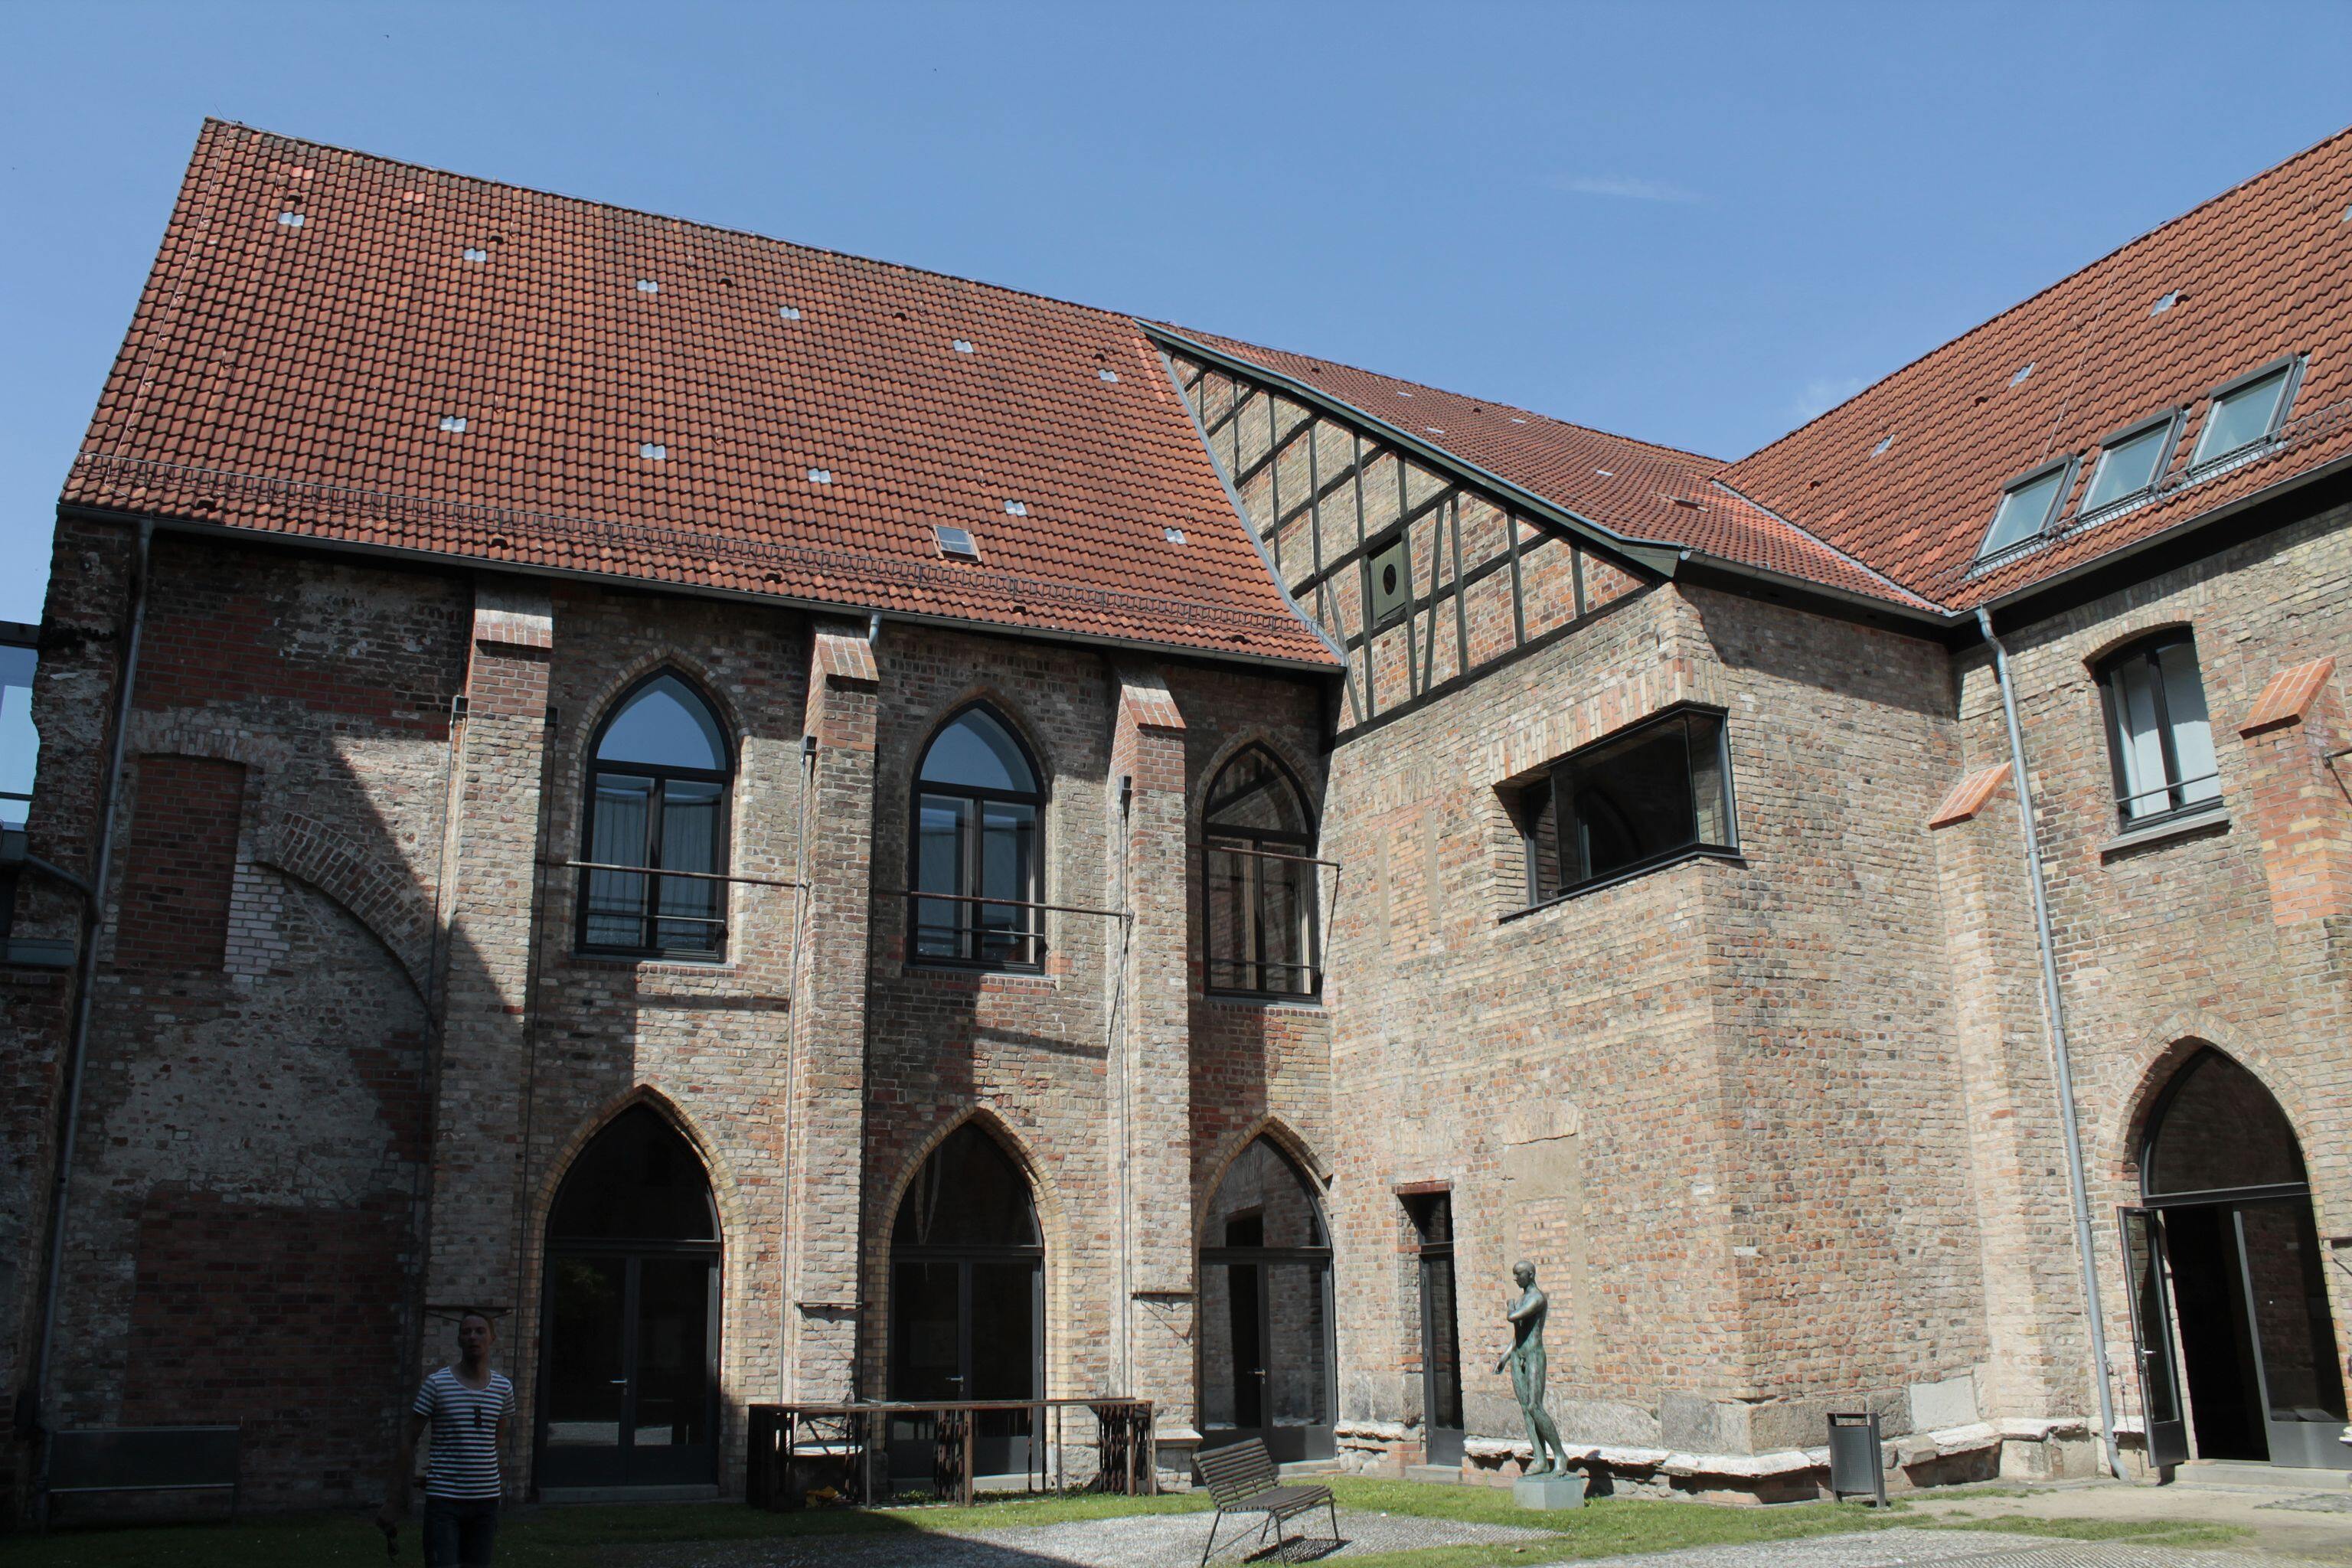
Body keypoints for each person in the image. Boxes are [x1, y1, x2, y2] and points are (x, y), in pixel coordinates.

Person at [381, 1309, 514, 1567]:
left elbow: (493, 1440)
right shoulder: (437, 1384)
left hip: (485, 1502)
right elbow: (408, 1439)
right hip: (445, 1503)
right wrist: (394, 1499)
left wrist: (467, 1463)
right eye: (466, 1332)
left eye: (480, 1331)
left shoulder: (503, 1388)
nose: (473, 1337)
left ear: (492, 1338)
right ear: (459, 1340)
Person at [1495, 1259, 1570, 1478]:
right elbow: (1519, 1334)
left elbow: (1513, 1317)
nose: (1515, 1278)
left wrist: (1510, 1305)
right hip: (1519, 1356)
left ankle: (1559, 1455)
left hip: (1534, 1356)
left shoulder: (1537, 1298)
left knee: (1534, 1406)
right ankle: (1540, 1459)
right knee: (1526, 1411)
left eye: (1519, 1274)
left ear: (1531, 1274)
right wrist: (1505, 1357)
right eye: (1514, 1274)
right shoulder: (1523, 1298)